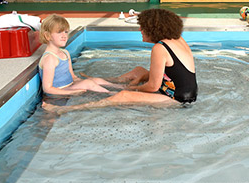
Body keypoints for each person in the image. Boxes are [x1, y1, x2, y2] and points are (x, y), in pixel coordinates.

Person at [44, 9, 197, 111]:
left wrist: (130, 89)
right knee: (139, 71)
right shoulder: (177, 39)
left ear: (153, 29)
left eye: (142, 27)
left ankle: (63, 110)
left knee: (122, 96)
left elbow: (152, 87)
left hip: (178, 99)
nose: (140, 30)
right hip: (185, 91)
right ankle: (107, 82)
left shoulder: (160, 48)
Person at [38, 14, 118, 96]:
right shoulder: (50, 58)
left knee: (96, 80)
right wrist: (73, 92)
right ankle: (112, 94)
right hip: (59, 92)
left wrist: (81, 81)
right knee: (88, 83)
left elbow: (72, 76)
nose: (64, 36)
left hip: (70, 86)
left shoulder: (65, 53)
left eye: (65, 32)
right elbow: (47, 89)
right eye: (59, 32)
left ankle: (121, 87)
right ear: (47, 36)